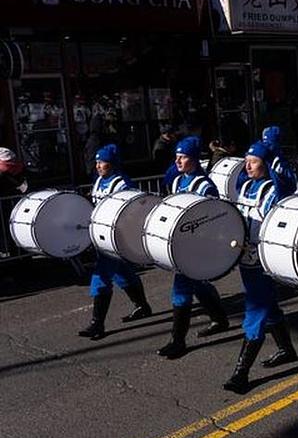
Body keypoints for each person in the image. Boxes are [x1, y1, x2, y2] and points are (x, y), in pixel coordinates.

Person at [224, 141, 297, 393]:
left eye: (253, 161)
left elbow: (278, 222)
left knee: (255, 310)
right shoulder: (245, 185)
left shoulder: (273, 191)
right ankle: (287, 349)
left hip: (262, 260)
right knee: (267, 304)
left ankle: (240, 373)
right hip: (245, 258)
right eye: (246, 160)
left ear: (265, 165)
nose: (247, 165)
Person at [156, 137, 231, 359]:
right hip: (183, 244)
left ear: (194, 159)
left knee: (181, 291)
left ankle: (177, 341)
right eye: (176, 157)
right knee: (198, 284)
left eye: (183, 157)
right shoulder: (179, 181)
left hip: (196, 247)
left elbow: (212, 218)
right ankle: (220, 319)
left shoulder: (205, 186)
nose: (178, 161)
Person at [78, 144, 152, 340]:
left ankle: (97, 324)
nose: (98, 166)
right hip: (101, 235)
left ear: (112, 163)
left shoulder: (122, 184)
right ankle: (142, 306)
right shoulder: (99, 180)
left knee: (100, 277)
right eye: (97, 162)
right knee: (122, 273)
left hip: (115, 238)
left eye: (102, 162)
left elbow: (132, 210)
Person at [261, 125, 298, 195]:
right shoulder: (264, 158)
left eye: (269, 144)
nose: (267, 146)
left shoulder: (280, 163)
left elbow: (292, 185)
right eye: (265, 143)